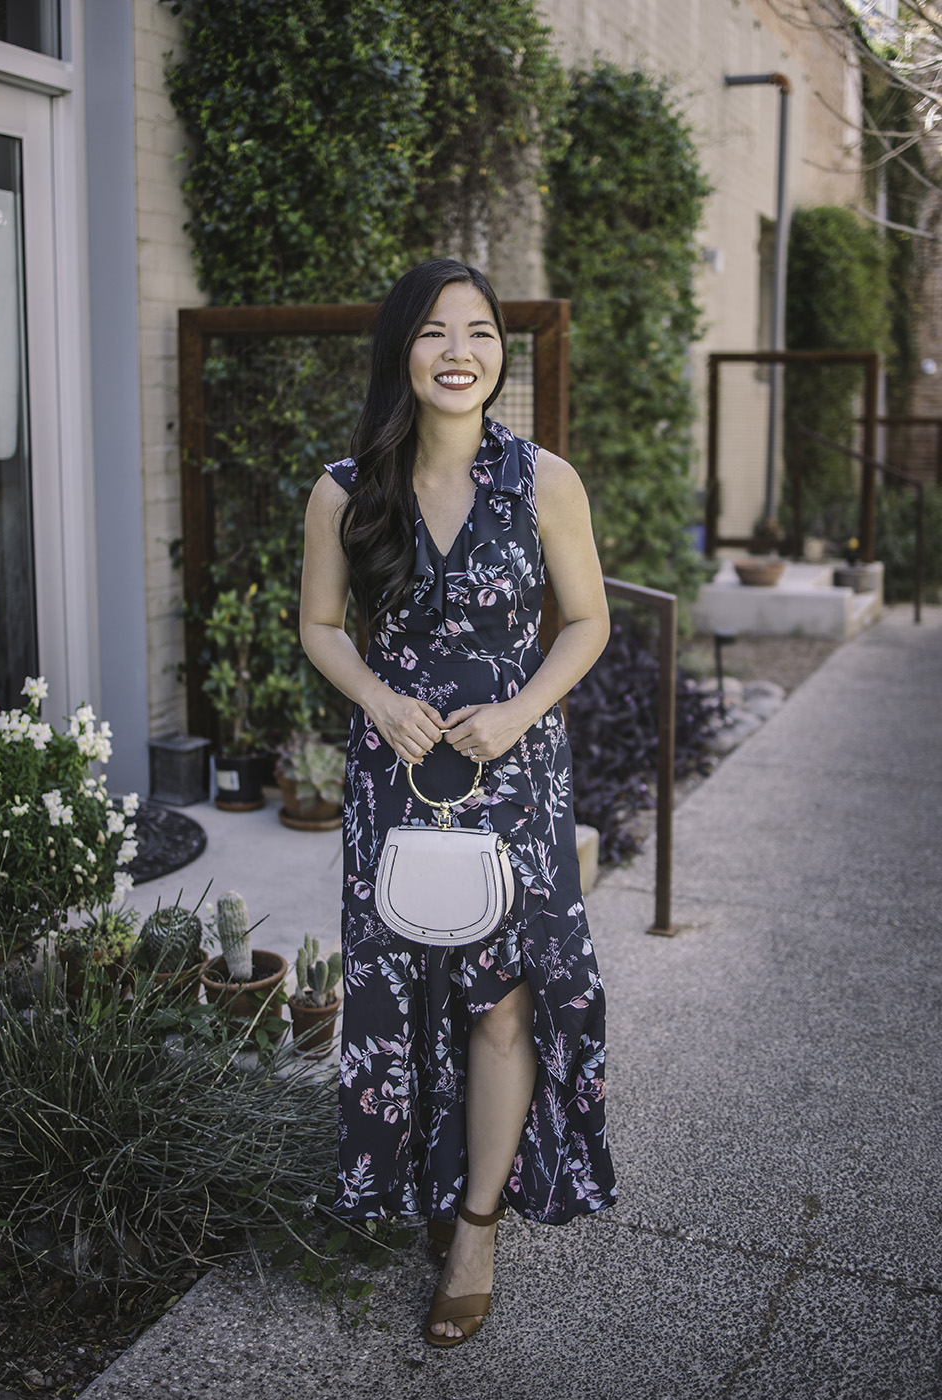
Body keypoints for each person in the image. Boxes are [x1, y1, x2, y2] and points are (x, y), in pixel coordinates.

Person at [300, 258, 616, 1348]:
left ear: (499, 356)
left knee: (500, 1000)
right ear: (401, 351)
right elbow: (320, 627)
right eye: (434, 332)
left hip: (513, 775)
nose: (458, 352)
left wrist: (518, 709)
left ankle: (475, 1225)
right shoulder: (345, 489)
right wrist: (379, 700)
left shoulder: (544, 480)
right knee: (406, 992)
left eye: (479, 333)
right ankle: (431, 1182)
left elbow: (585, 622)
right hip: (394, 775)